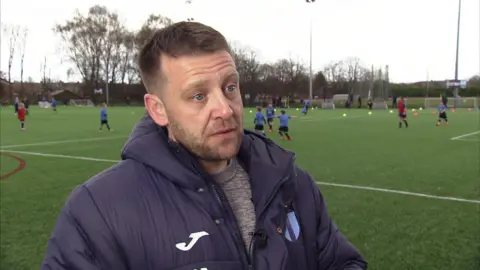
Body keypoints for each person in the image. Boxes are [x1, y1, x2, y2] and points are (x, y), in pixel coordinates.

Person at [41, 21, 367, 270]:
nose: (225, 109)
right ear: (158, 109)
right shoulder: (97, 211)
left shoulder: (293, 184)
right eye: (198, 96)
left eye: (230, 87)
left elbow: (342, 262)